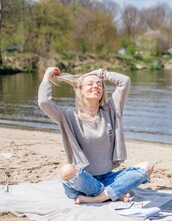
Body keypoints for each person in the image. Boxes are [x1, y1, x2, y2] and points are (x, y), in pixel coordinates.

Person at [38, 67, 154, 204]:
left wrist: (102, 74)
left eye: (99, 84)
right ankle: (112, 192)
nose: (96, 86)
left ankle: (100, 197)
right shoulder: (68, 117)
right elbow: (44, 102)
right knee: (67, 171)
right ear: (80, 91)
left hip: (109, 177)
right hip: (83, 181)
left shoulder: (111, 110)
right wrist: (47, 76)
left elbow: (125, 81)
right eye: (90, 84)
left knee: (148, 166)